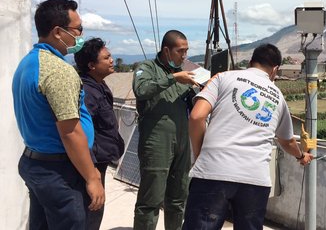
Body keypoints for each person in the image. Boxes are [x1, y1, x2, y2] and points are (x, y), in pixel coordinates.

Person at [183, 43, 313, 230]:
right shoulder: (278, 96)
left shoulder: (223, 78)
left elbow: (196, 116)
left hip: (213, 171)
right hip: (255, 178)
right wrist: (301, 156)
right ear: (275, 69)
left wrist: (200, 155)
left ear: (251, 62)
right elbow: (287, 141)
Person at [12, 0, 104, 229]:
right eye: (77, 29)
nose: (81, 35)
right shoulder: (58, 70)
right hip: (59, 172)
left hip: (36, 163)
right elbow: (70, 132)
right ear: (58, 32)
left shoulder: (29, 63)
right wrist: (92, 177)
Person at [132, 30, 199, 230]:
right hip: (156, 144)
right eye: (180, 51)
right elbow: (141, 90)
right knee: (150, 200)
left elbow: (192, 106)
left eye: (186, 51)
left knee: (178, 198)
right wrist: (173, 78)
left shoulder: (184, 74)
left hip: (181, 143)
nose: (184, 56)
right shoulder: (147, 68)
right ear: (166, 50)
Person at [74, 37, 126, 230]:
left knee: (96, 211)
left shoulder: (99, 86)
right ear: (91, 65)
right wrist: (92, 170)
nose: (111, 60)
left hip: (100, 163)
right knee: (92, 212)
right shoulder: (87, 91)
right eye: (106, 58)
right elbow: (82, 131)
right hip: (93, 166)